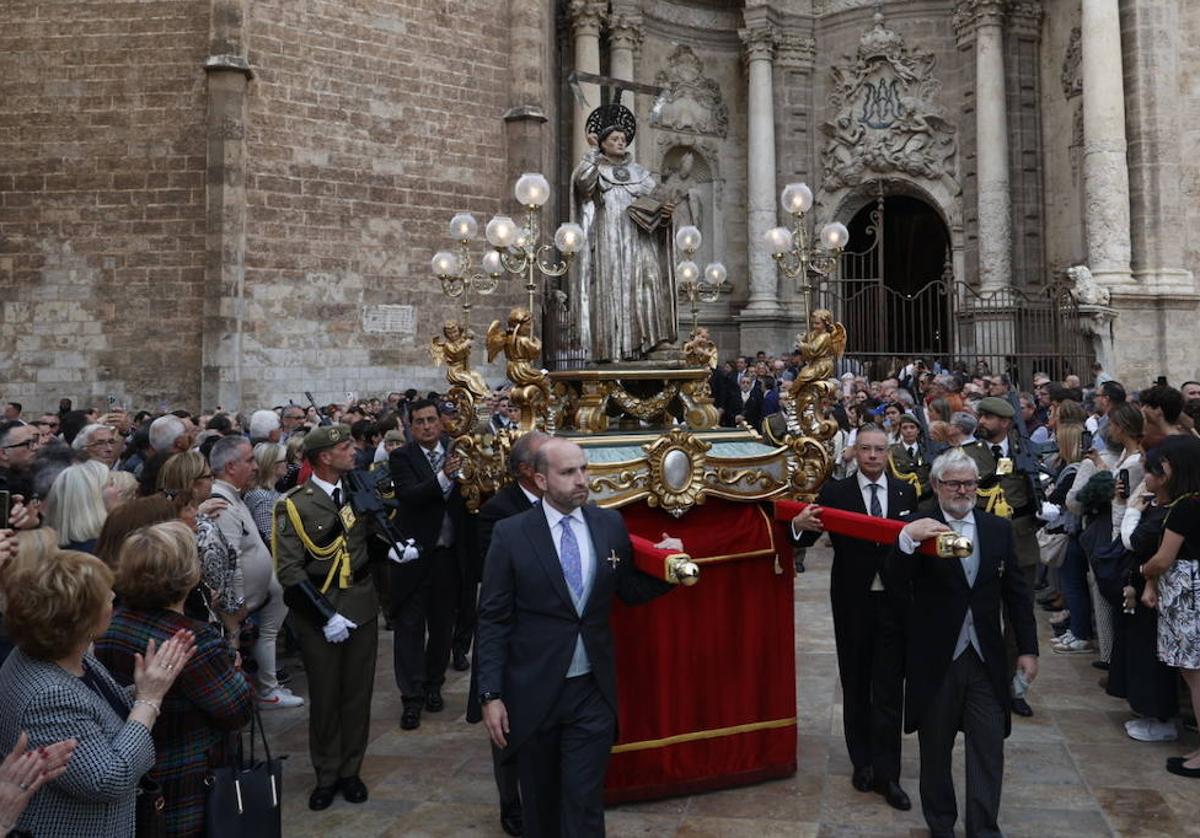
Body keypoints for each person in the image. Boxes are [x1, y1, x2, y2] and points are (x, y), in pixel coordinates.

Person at [476, 438, 678, 837]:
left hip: (592, 693)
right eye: (568, 472)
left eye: (584, 469)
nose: (582, 480)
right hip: (533, 693)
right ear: (541, 479)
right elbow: (493, 620)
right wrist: (490, 695)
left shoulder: (609, 524)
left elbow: (629, 591)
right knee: (543, 805)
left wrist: (668, 567)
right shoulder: (511, 534)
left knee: (584, 803)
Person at [890, 448, 1038, 837]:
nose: (962, 490)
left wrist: (1027, 649)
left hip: (986, 659)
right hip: (937, 659)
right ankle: (941, 825)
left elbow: (1018, 595)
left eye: (969, 483)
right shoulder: (914, 525)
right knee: (935, 750)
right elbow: (892, 584)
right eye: (954, 483)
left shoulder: (997, 529)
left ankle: (984, 829)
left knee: (988, 748)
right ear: (937, 485)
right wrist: (906, 539)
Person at [0, 548, 195, 837]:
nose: (114, 598)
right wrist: (149, 699)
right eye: (106, 596)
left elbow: (97, 717)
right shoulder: (49, 694)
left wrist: (148, 686)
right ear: (80, 620)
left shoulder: (65, 654)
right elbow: (108, 779)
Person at [94, 522, 254, 837]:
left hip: (140, 780)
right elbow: (238, 709)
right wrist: (233, 667)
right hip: (189, 783)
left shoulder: (112, 624)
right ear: (188, 574)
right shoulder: (192, 640)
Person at [790, 425, 916, 811]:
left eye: (879, 449)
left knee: (890, 689)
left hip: (895, 605)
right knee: (857, 683)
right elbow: (806, 535)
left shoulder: (905, 491)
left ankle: (888, 773)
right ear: (855, 452)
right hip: (853, 602)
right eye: (866, 449)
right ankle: (862, 762)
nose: (873, 456)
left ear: (888, 452)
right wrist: (797, 526)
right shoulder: (836, 493)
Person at [273, 425, 382, 810]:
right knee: (324, 696)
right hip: (320, 611)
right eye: (344, 447)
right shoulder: (294, 504)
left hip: (363, 605)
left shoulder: (357, 490)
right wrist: (326, 616)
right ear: (323, 457)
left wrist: (395, 550)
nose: (353, 451)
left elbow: (367, 543)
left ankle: (351, 770)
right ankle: (326, 773)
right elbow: (289, 571)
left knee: (357, 695)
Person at [467, 430, 550, 837]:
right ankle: (510, 804)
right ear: (526, 470)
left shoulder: (563, 503)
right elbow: (495, 579)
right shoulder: (498, 511)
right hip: (515, 633)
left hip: (550, 636)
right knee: (506, 730)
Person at [570, 98, 676, 362]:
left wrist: (665, 216)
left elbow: (657, 203)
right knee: (612, 287)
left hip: (641, 239)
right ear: (603, 142)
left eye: (623, 138)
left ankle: (654, 342)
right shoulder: (594, 166)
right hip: (610, 239)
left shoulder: (640, 173)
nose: (620, 142)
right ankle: (611, 347)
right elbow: (583, 185)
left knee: (649, 280)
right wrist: (593, 153)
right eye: (614, 138)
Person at [390, 399, 473, 730]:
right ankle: (410, 698)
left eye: (431, 420)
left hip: (449, 556)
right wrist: (443, 476)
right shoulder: (402, 458)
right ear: (411, 426)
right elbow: (411, 495)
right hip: (415, 556)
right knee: (410, 628)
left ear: (442, 422)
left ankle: (433, 685)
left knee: (442, 626)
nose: (426, 426)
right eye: (419, 421)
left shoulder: (459, 451)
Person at [208, 436, 300, 709]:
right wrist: (235, 606)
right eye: (249, 461)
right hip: (240, 605)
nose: (256, 467)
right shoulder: (221, 503)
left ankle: (269, 687)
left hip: (260, 595)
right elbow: (229, 560)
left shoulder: (233, 496)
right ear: (231, 466)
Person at [963, 396, 1040, 717]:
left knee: (1018, 617)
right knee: (978, 615)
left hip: (1020, 542)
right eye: (980, 416)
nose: (981, 421)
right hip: (981, 543)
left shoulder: (1026, 452)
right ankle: (975, 681)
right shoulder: (968, 455)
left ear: (1005, 423)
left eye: (988, 417)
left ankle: (1012, 686)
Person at [1136, 435, 1200, 778]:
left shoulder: (1187, 506)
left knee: (1195, 675)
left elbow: (1163, 558)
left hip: (1190, 594)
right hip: (1189, 590)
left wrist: (1145, 572)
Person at [43, 460, 110, 553]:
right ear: (92, 498)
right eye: (111, 483)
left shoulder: (46, 551)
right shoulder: (103, 552)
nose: (119, 489)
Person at [244, 442, 287, 545]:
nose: (287, 464)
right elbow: (269, 538)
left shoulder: (270, 492)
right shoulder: (262, 497)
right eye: (284, 460)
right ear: (272, 465)